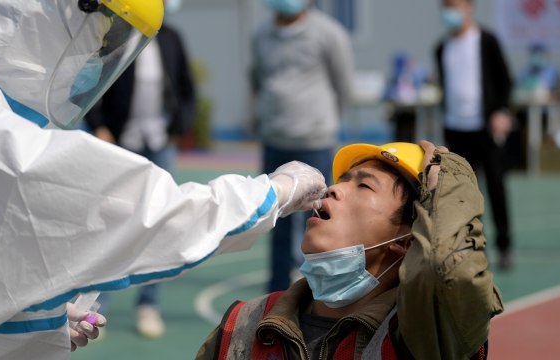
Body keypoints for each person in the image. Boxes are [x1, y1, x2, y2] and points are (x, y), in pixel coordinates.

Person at [0, 0, 328, 358]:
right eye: (101, 35)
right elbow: (148, 211)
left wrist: (30, 315)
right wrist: (276, 191)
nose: (93, 56)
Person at [196, 140, 504, 359]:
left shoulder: (423, 338)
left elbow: (453, 273)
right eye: (341, 180)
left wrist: (450, 177)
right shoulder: (243, 325)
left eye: (364, 186)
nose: (333, 188)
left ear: (406, 241)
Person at [84, 0, 195, 339]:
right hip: (122, 143)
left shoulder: (173, 37)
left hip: (160, 144)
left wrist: (180, 125)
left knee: (160, 223)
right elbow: (91, 82)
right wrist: (99, 124)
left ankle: (149, 304)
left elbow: (186, 86)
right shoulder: (119, 35)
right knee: (113, 222)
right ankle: (95, 308)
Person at [252, 0, 356, 292]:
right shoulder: (260, 34)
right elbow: (258, 78)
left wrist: (327, 122)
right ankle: (275, 293)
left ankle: (330, 290)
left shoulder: (329, 33)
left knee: (324, 217)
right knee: (274, 219)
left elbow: (344, 84)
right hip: (275, 139)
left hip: (316, 141)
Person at [434, 0, 514, 270]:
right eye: (445, 7)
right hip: (456, 130)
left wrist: (501, 111)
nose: (450, 12)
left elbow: (505, 80)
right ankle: (467, 247)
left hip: (485, 130)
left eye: (455, 6)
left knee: (495, 187)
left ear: (469, 7)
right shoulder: (442, 47)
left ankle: (505, 246)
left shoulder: (487, 41)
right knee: (460, 194)